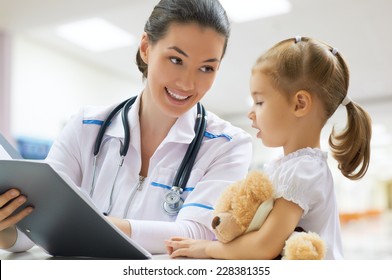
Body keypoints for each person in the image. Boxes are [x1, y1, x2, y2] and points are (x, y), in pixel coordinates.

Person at [0, 0, 252, 254]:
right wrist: (5, 226)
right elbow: (35, 226)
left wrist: (89, 226)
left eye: (207, 68)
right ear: (146, 48)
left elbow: (196, 233)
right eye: (176, 59)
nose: (187, 83)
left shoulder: (228, 145)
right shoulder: (85, 127)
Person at [165, 36, 372, 260]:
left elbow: (264, 246)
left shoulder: (303, 170)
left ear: (299, 104)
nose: (251, 113)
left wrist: (205, 248)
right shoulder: (293, 166)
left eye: (260, 102)